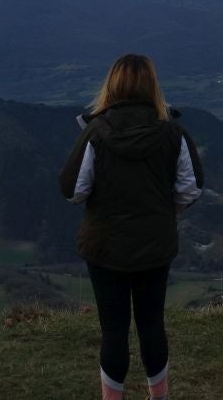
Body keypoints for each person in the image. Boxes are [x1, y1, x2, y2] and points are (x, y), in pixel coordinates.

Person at [60, 53, 204, 400]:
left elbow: (73, 191)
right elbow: (190, 188)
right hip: (155, 247)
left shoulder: (96, 132)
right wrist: (165, 214)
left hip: (104, 247)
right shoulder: (172, 134)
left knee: (114, 330)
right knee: (152, 324)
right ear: (153, 87)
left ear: (111, 85)